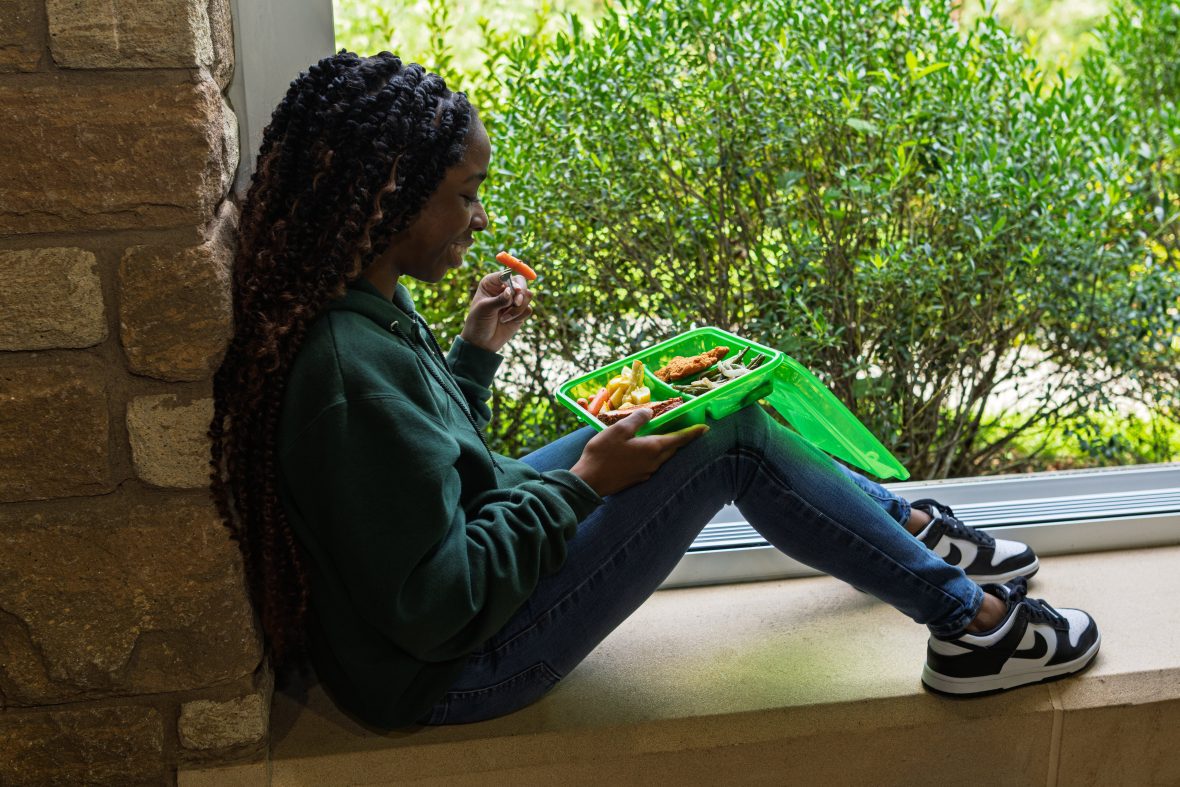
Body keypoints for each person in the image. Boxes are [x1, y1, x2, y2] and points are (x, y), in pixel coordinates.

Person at [209, 51, 1100, 729]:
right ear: (387, 197)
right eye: (467, 194)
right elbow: (440, 603)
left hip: (456, 616)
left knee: (700, 404)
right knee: (726, 439)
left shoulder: (362, 305)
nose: (479, 220)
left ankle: (903, 535)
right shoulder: (341, 368)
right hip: (458, 669)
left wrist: (474, 354)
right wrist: (585, 483)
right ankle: (972, 624)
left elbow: (424, 470)